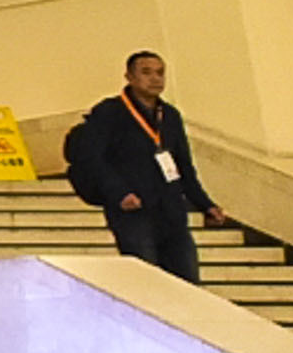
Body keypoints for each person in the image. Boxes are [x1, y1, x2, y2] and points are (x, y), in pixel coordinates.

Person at [69, 51, 211, 283]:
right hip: (133, 211)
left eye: (160, 73)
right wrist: (119, 193)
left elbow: (183, 164)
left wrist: (205, 204)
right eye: (146, 72)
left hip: (171, 211)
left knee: (187, 282)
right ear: (130, 77)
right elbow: (92, 159)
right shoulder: (110, 112)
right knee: (147, 279)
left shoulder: (170, 115)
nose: (155, 79)